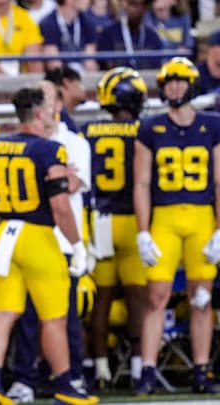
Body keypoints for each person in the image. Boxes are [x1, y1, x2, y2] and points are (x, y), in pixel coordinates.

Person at [0, 86, 98, 405]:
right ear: (41, 112)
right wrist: (77, 244)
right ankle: (65, 386)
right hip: (38, 237)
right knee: (54, 317)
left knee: (4, 314)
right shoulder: (50, 149)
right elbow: (60, 206)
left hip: (6, 234)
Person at [133, 57, 220, 395]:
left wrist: (218, 228)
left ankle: (201, 369)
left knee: (201, 298)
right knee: (155, 298)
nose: (174, 87)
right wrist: (142, 230)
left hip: (200, 217)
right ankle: (148, 371)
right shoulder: (151, 127)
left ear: (192, 84)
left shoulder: (211, 125)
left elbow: (218, 182)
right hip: (165, 217)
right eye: (169, 81)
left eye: (180, 81)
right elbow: (141, 183)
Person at [81, 66, 148, 391]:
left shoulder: (88, 130)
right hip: (135, 220)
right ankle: (137, 370)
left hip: (100, 221)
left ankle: (99, 369)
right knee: (138, 300)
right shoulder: (144, 131)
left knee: (101, 301)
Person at [96, 0, 163, 70]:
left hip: (145, 78)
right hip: (118, 78)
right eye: (133, 4)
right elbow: (104, 63)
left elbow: (156, 66)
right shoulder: (109, 32)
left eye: (142, 5)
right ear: (125, 5)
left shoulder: (152, 36)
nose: (137, 9)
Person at [39, 0, 99, 73]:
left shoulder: (88, 23)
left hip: (83, 76)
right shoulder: (48, 24)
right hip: (59, 79)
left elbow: (90, 62)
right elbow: (53, 64)